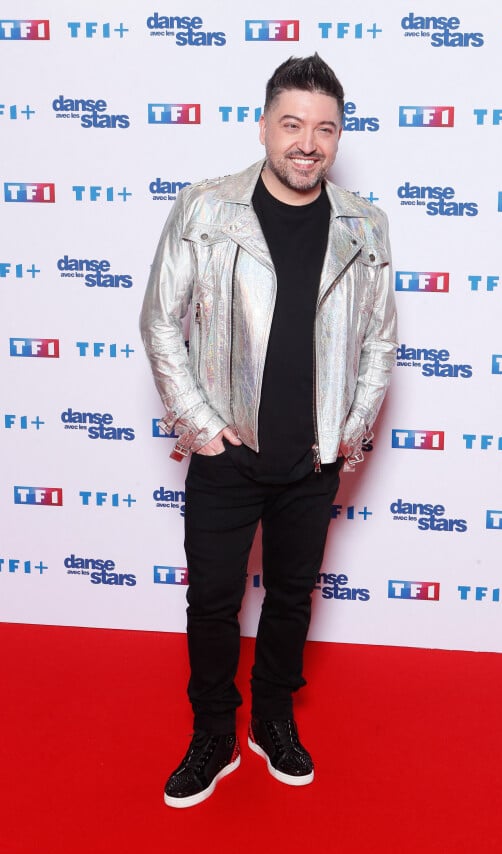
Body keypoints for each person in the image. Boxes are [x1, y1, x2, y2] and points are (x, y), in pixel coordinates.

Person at [140, 54, 397, 808]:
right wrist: (203, 427)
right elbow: (161, 320)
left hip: (311, 458)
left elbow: (380, 340)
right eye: (292, 124)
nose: (307, 142)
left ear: (339, 136)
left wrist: (349, 433)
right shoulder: (204, 209)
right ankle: (215, 732)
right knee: (213, 603)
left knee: (291, 598)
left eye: (324, 128)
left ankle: (274, 718)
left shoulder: (365, 225)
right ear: (264, 127)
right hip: (227, 452)